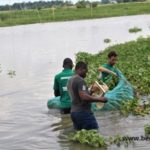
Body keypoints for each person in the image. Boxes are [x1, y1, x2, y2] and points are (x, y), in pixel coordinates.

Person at [67, 61, 107, 130]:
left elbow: (79, 97)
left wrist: (90, 92)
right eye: (86, 71)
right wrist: (100, 99)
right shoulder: (80, 80)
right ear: (80, 69)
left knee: (80, 136)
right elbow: (84, 97)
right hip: (83, 113)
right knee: (94, 132)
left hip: (74, 113)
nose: (86, 74)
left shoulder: (70, 80)